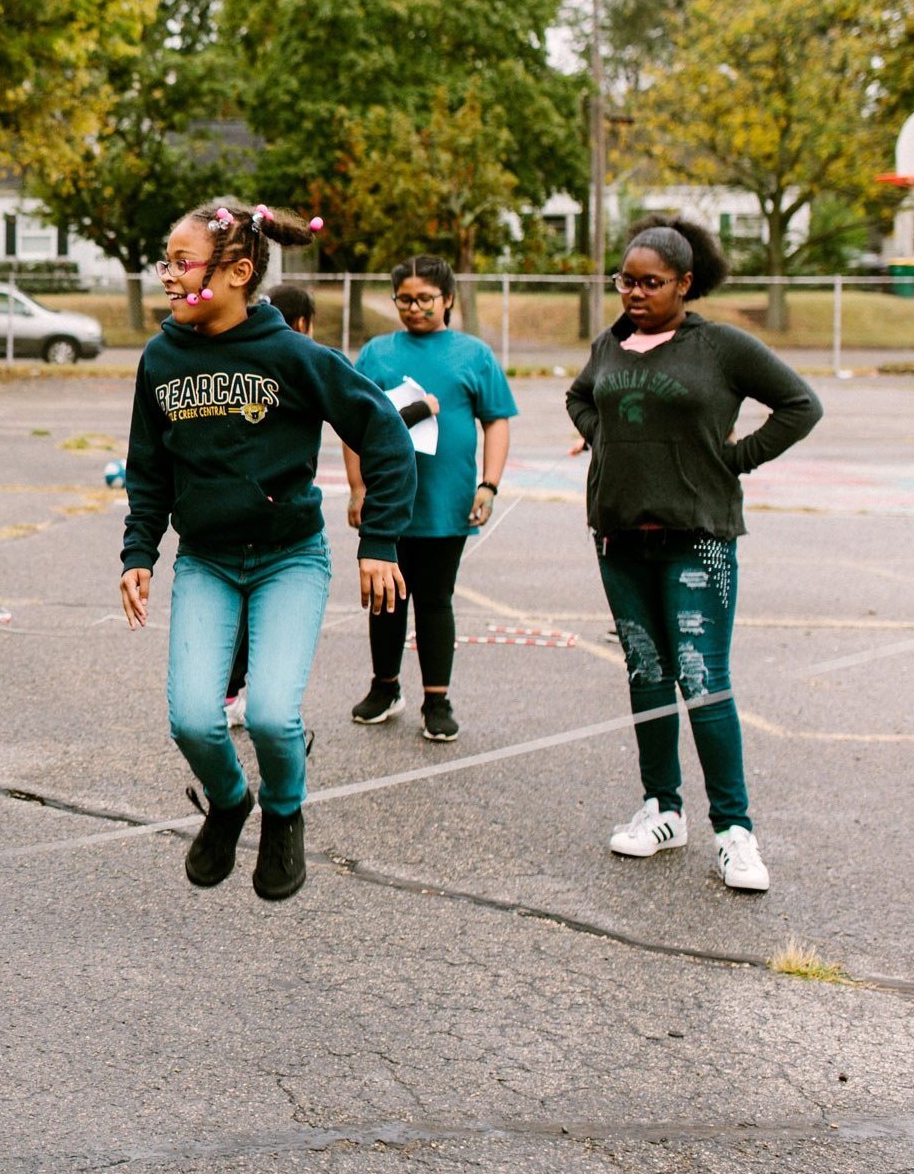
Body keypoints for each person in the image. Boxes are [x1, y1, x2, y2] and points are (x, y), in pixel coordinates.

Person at [120, 202, 417, 901]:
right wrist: (139, 553)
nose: (167, 275)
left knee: (271, 716)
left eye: (181, 261)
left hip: (290, 558)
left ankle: (284, 812)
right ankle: (230, 803)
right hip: (207, 561)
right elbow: (148, 468)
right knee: (193, 718)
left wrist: (378, 541)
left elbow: (386, 436)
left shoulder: (292, 355)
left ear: (238, 272)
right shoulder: (161, 360)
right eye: (166, 260)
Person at [568, 216, 820, 893]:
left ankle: (734, 831)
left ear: (685, 284)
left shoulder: (721, 347)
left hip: (698, 536)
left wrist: (736, 459)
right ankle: (662, 810)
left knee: (702, 678)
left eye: (651, 283)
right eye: (626, 281)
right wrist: (606, 441)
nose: (635, 293)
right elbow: (580, 396)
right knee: (648, 673)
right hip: (619, 535)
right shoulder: (612, 343)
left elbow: (801, 405)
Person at [342, 255, 517, 742]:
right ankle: (385, 687)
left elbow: (496, 419)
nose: (414, 307)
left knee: (435, 600)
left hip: (447, 501)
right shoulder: (378, 353)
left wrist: (489, 484)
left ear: (448, 301)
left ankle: (437, 699)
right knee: (386, 600)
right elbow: (354, 425)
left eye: (425, 299)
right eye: (404, 299)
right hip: (390, 505)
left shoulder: (473, 354)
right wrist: (358, 488)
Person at [222, 284, 319, 728]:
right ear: (301, 324)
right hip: (276, 519)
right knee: (257, 617)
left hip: (237, 511)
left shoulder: (240, 359)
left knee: (239, 615)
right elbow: (377, 417)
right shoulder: (299, 362)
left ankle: (234, 693)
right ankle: (241, 693)